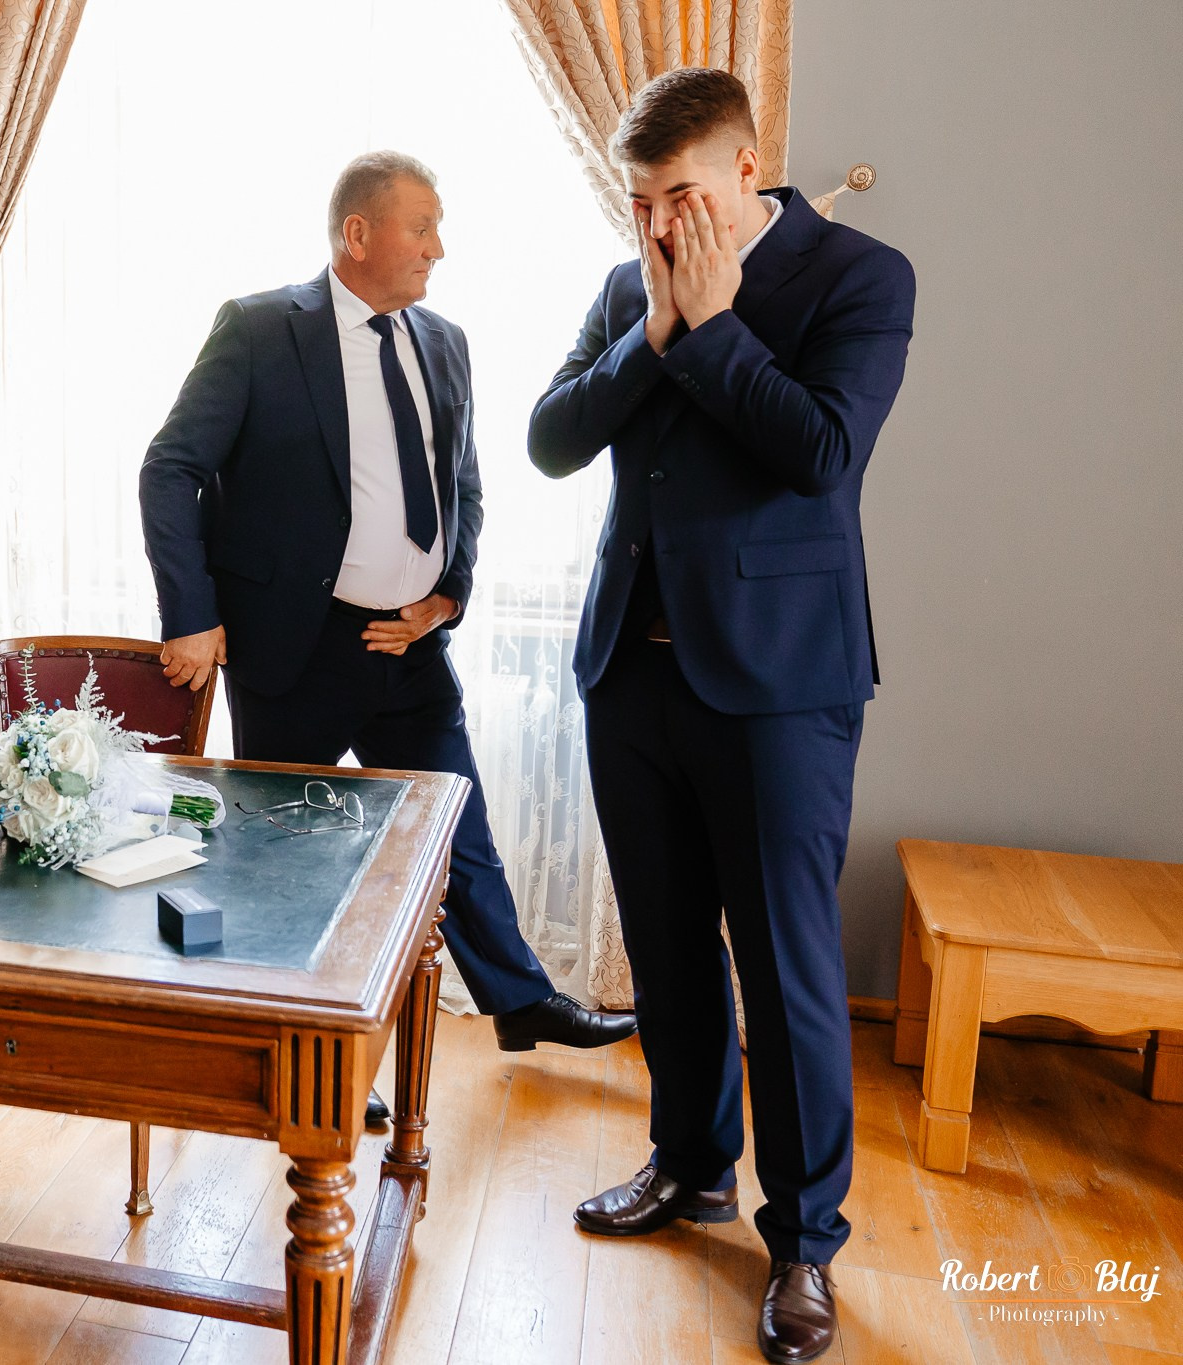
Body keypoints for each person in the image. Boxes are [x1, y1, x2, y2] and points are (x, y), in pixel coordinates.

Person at [527, 69, 915, 1363]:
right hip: (627, 679)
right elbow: (550, 440)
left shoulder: (861, 278)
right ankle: (688, 1164)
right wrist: (654, 331)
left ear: (747, 171)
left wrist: (717, 327)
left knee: (789, 971)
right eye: (639, 199)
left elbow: (819, 453)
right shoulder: (627, 282)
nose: (655, 222)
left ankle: (803, 1244)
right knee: (668, 949)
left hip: (781, 690)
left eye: (678, 195)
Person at [140, 151, 637, 1131]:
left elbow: (461, 487)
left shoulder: (443, 341)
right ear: (355, 235)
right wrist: (190, 613)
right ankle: (306, 1043)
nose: (437, 249)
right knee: (281, 861)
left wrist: (444, 598)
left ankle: (521, 1001)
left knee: (458, 827)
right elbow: (171, 467)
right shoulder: (259, 329)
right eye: (421, 228)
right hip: (294, 648)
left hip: (410, 651)